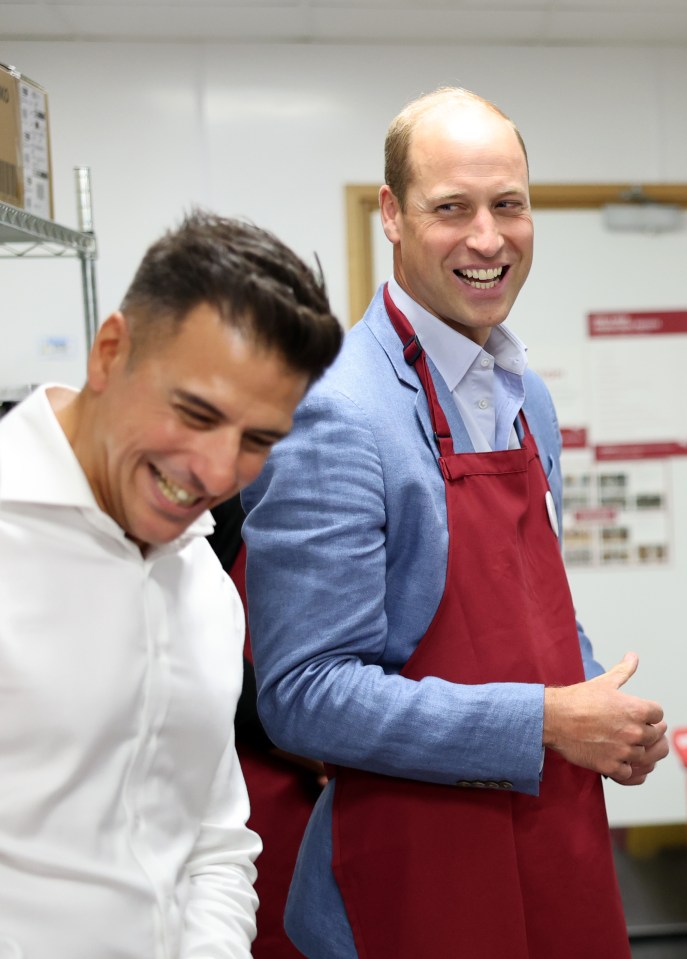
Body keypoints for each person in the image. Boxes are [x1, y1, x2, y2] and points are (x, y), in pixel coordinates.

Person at [240, 87, 670, 959]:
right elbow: (303, 695)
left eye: (508, 204)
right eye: (451, 208)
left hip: (554, 842)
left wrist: (600, 707)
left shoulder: (526, 399)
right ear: (392, 215)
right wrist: (546, 720)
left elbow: (530, 608)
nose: (487, 238)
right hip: (413, 870)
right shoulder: (337, 413)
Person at [0, 210, 342, 959]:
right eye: (195, 412)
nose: (219, 475)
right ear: (110, 351)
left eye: (257, 440)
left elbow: (212, 839)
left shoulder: (199, 580)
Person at [207, 495, 325, 959]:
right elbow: (197, 655)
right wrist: (323, 741)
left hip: (344, 776)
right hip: (258, 773)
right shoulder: (223, 501)